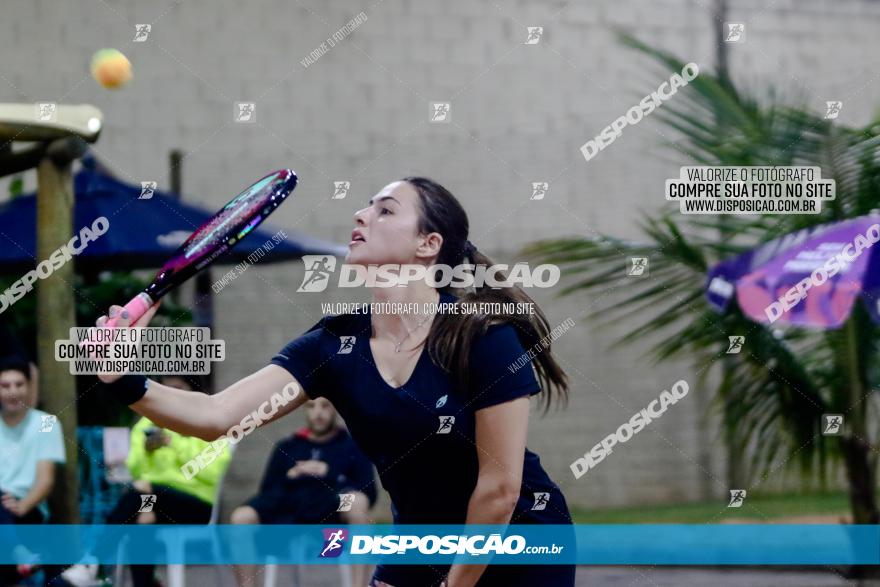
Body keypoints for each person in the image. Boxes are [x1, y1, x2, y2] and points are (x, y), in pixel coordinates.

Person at [96, 176, 576, 587]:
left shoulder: (483, 336)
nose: (361, 214)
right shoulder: (333, 345)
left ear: (428, 245)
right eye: (367, 205)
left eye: (385, 210)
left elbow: (500, 488)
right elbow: (215, 416)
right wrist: (123, 378)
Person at [230, 397, 377, 587]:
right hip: (287, 521)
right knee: (241, 517)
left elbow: (369, 494)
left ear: (336, 409)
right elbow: (267, 493)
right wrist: (291, 476)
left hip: (332, 523)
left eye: (325, 406)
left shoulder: (351, 447)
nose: (318, 413)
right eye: (311, 406)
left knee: (356, 501)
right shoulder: (288, 446)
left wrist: (328, 473)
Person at [106, 375, 231, 587]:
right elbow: (133, 470)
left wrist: (173, 442)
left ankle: (96, 560)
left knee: (143, 493)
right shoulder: (147, 424)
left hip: (196, 504)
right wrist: (147, 451)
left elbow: (210, 473)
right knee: (143, 519)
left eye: (179, 388)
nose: (173, 395)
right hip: (151, 501)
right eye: (167, 389)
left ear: (194, 390)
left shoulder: (210, 423)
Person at [0, 356, 66, 585]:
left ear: (29, 388)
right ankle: (20, 555)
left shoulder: (46, 422)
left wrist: (21, 506)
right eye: (5, 385)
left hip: (28, 509)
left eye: (19, 384)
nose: (13, 391)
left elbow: (46, 480)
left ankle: (20, 554)